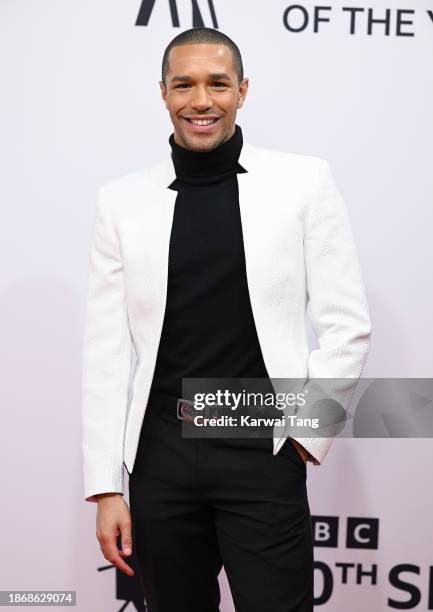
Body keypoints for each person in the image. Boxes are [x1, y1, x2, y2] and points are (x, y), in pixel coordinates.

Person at [81, 27, 371, 611]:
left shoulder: (303, 183)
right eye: (184, 85)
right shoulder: (121, 202)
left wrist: (305, 440)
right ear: (163, 93)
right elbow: (106, 351)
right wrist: (107, 487)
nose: (201, 100)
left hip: (262, 448)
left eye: (217, 84)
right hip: (160, 454)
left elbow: (347, 327)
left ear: (242, 90)